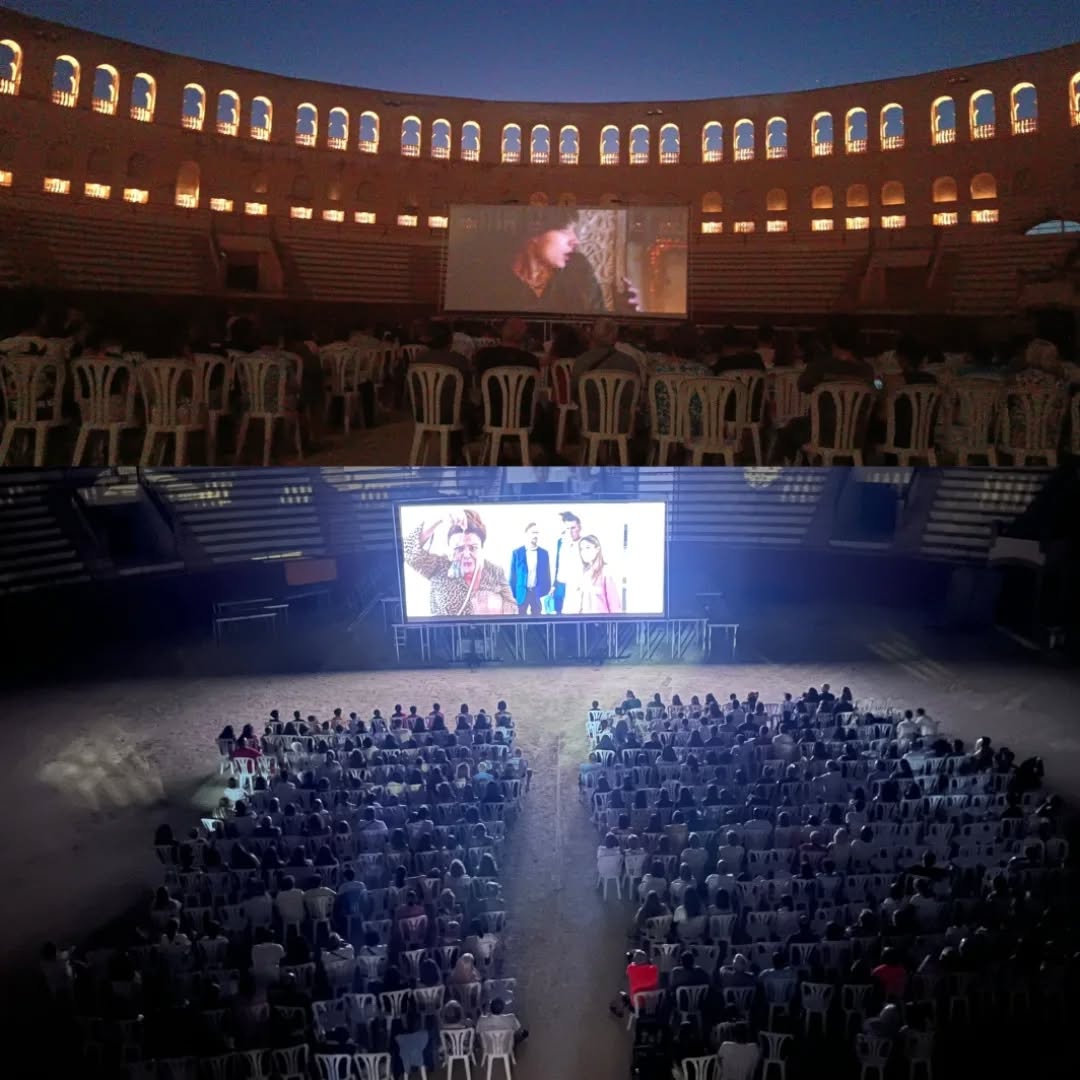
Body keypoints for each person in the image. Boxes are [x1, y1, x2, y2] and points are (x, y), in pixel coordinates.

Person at [467, 205, 638, 315]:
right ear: (535, 234)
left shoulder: (578, 268)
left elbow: (598, 320)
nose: (575, 240)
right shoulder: (493, 274)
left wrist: (623, 313)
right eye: (565, 231)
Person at [771, 318, 875, 463]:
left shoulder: (820, 366)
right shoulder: (867, 370)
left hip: (821, 433)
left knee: (787, 430)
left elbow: (803, 385)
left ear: (831, 339)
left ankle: (782, 473)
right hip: (855, 436)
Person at [404, 508, 517, 617]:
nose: (466, 555)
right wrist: (439, 518)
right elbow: (408, 552)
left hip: (488, 634)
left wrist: (495, 608)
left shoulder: (496, 571)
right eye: (459, 548)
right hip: (446, 635)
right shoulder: (439, 566)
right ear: (449, 550)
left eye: (473, 548)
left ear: (482, 548)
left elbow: (513, 608)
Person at [509, 522, 552, 616]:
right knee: (520, 620)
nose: (536, 535)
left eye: (537, 533)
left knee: (537, 620)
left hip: (536, 593)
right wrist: (512, 595)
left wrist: (544, 591)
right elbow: (513, 577)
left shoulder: (544, 553)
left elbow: (547, 575)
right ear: (526, 534)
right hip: (521, 593)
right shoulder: (517, 553)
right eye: (533, 532)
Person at [573, 534, 622, 614]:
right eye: (581, 549)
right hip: (584, 622)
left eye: (588, 548)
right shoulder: (584, 573)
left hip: (601, 622)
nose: (584, 552)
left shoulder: (606, 571)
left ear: (597, 549)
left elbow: (614, 604)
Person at [550, 511, 585, 615]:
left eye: (573, 528)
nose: (570, 532)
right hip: (560, 585)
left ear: (580, 527)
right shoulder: (560, 542)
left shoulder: (585, 543)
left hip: (576, 587)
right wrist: (554, 585)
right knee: (558, 614)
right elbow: (558, 564)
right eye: (567, 528)